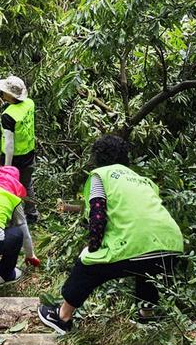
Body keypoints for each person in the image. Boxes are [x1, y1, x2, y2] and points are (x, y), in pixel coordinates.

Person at [38, 135, 184, 334]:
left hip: (137, 243)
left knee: (87, 264)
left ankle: (62, 317)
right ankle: (147, 315)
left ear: (97, 157)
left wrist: (93, 247)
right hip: (172, 245)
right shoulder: (144, 181)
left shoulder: (100, 175)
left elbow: (98, 214)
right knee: (147, 267)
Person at [0, 75, 38, 224]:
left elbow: (9, 143)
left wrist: (7, 166)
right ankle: (32, 214)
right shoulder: (30, 104)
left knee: (10, 186)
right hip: (29, 151)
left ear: (9, 95)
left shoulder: (8, 115)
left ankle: (14, 218)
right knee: (27, 183)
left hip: (14, 157)